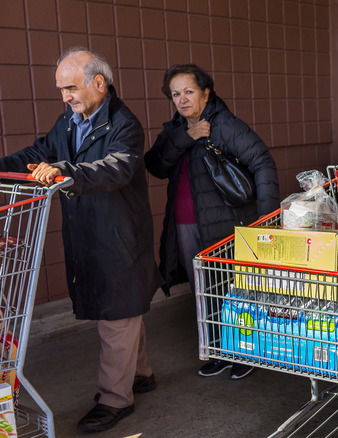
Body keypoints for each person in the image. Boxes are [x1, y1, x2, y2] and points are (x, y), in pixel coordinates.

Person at [0, 48, 161, 432]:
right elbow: (41, 151)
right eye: (61, 89)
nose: (65, 96)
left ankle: (115, 399)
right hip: (89, 233)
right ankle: (140, 374)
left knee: (117, 315)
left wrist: (64, 171)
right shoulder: (69, 121)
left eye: (70, 88)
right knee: (123, 311)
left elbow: (116, 169)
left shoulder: (124, 123)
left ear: (98, 83)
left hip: (118, 235)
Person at [144, 65, 279, 380]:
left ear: (206, 92)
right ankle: (218, 351)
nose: (182, 99)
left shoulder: (225, 125)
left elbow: (263, 162)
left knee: (234, 290)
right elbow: (156, 165)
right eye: (176, 94)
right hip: (185, 223)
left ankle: (244, 353)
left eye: (189, 91)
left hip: (225, 222)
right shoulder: (177, 128)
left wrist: (267, 217)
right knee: (203, 290)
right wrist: (186, 137)